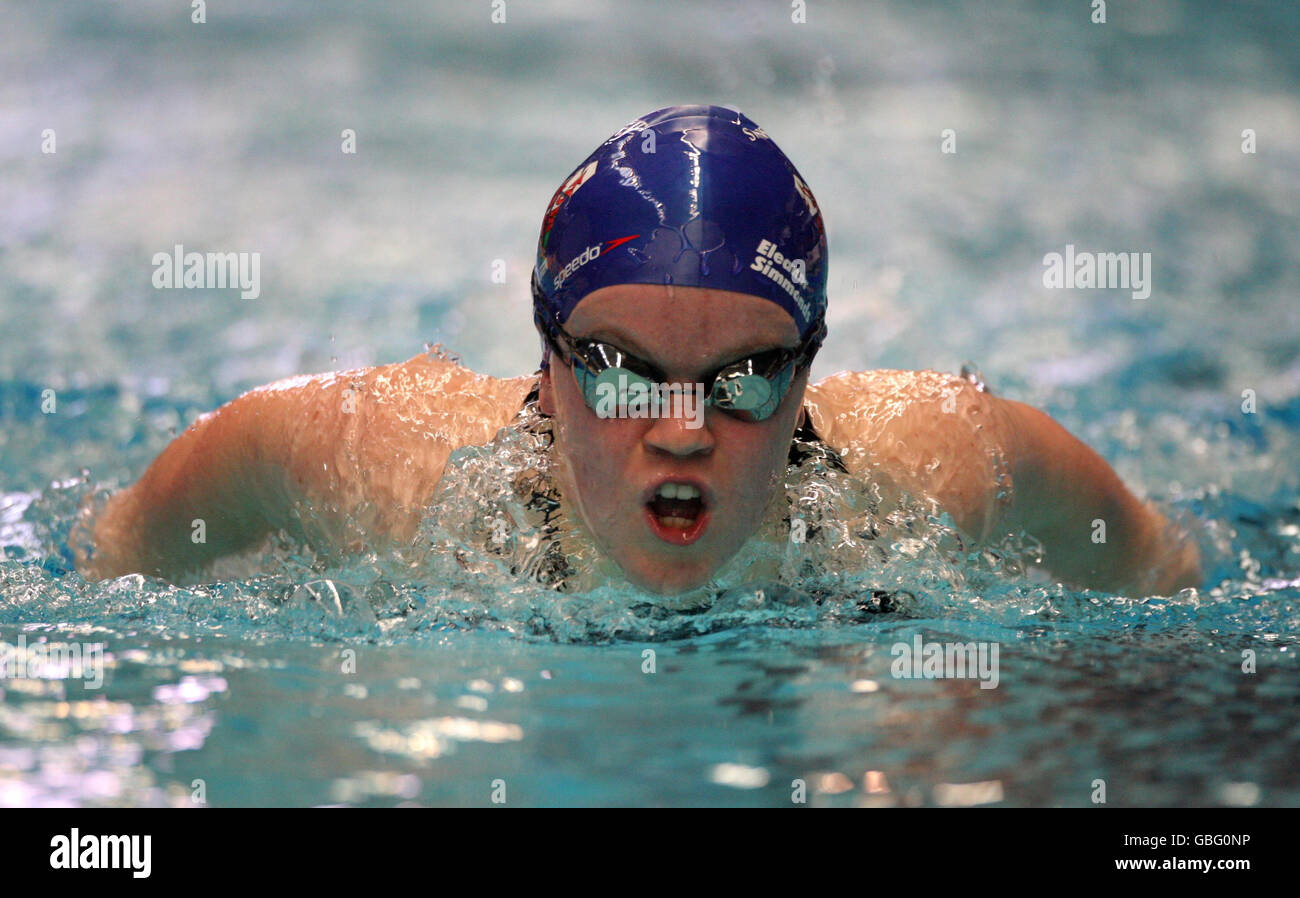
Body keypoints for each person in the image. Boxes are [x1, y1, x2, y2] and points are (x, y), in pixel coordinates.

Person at [73, 105, 1203, 597]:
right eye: (616, 368)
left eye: (747, 377)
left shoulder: (943, 466)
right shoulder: (363, 463)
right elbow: (112, 564)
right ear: (547, 356)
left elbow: (1162, 579)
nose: (681, 428)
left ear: (808, 364)